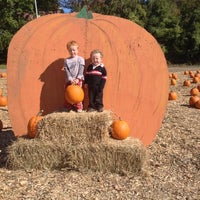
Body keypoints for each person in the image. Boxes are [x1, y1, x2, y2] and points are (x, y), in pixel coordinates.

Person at [64, 40, 85, 112]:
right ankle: (69, 107)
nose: (72, 52)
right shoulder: (66, 60)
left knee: (77, 94)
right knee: (68, 93)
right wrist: (70, 78)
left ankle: (79, 107)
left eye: (74, 50)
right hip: (69, 80)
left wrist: (78, 78)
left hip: (78, 79)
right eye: (70, 50)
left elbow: (81, 69)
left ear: (77, 50)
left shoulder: (80, 59)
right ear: (68, 51)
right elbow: (67, 71)